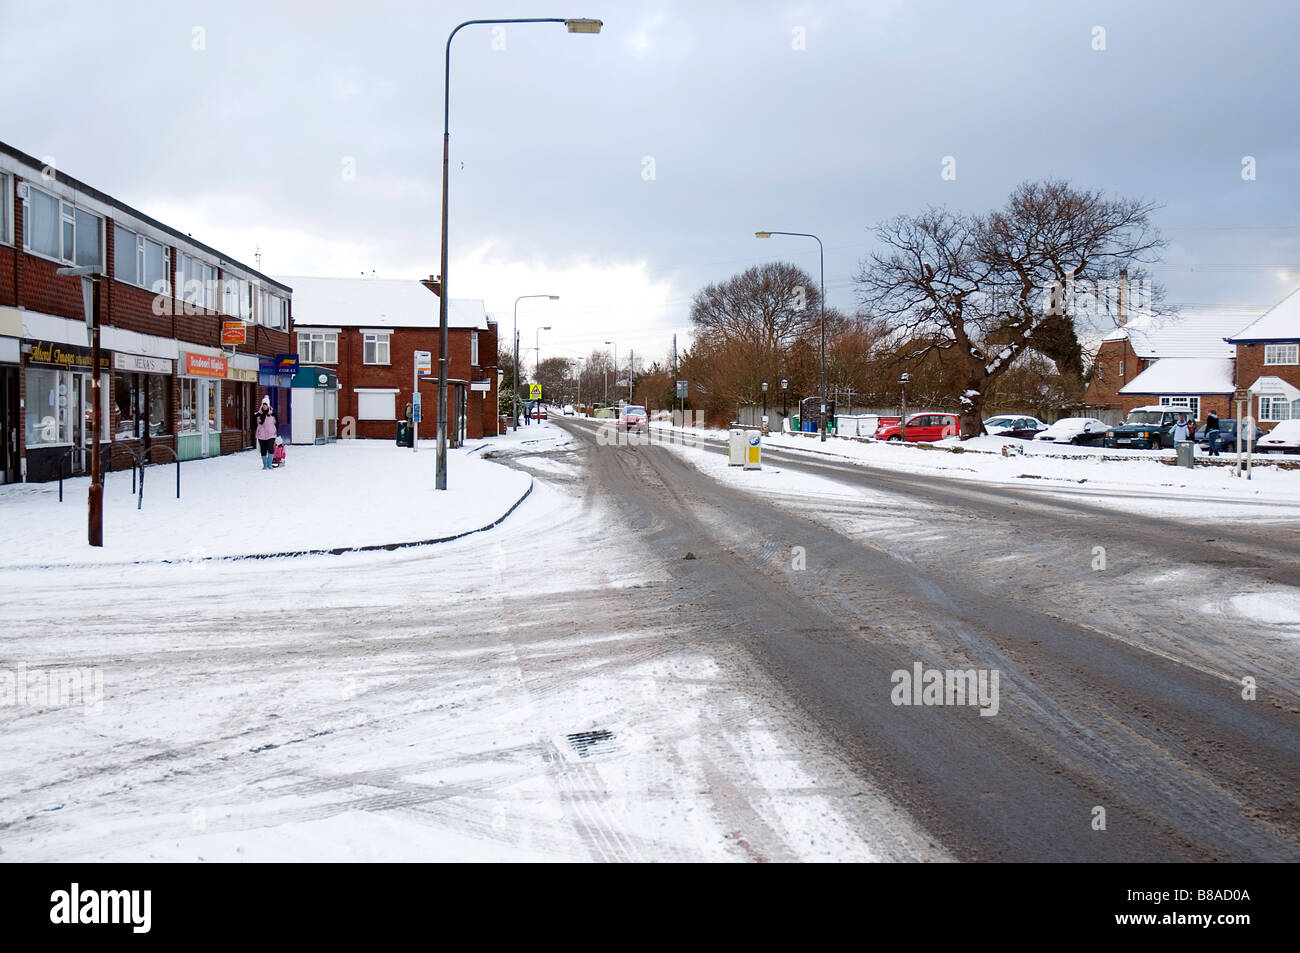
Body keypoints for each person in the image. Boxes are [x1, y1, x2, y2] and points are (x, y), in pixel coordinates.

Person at [255, 396, 277, 469]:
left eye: (266, 405)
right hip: (261, 435)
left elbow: (277, 423)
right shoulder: (258, 414)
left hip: (271, 434)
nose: (265, 406)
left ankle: (270, 464)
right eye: (263, 405)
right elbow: (255, 424)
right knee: (263, 449)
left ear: (268, 405)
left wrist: (276, 432)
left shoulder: (273, 413)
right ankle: (265, 465)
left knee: (270, 448)